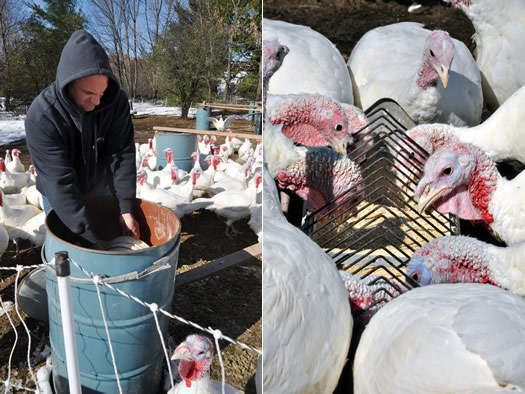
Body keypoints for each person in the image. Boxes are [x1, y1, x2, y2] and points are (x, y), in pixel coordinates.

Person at [25, 30, 140, 249]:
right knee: (68, 249)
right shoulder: (42, 117)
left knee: (109, 237)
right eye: (89, 93)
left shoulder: (114, 102)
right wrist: (88, 241)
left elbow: (121, 154)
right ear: (68, 83)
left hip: (100, 185)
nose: (97, 101)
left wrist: (125, 207)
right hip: (59, 194)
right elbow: (59, 183)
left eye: (102, 92)